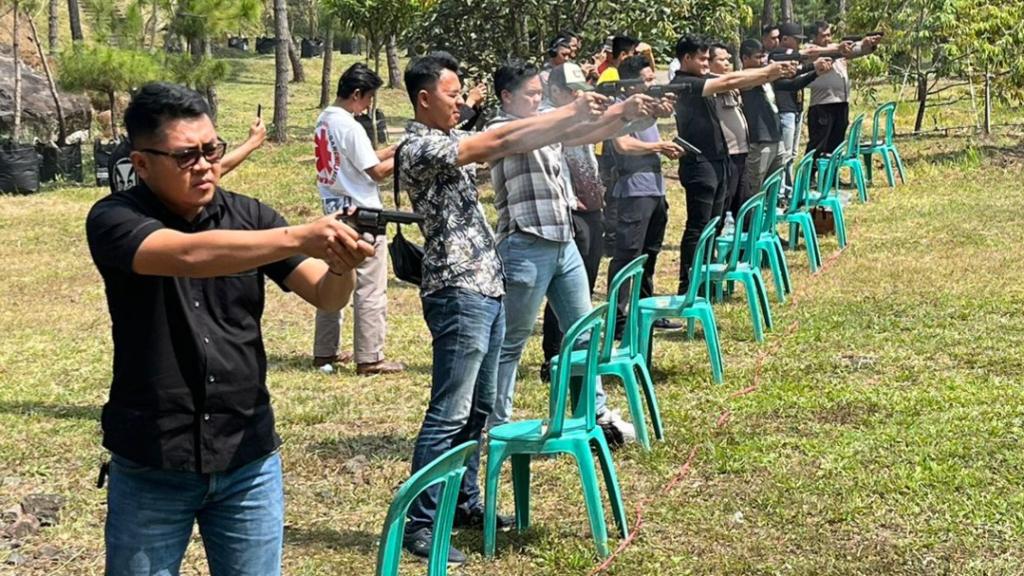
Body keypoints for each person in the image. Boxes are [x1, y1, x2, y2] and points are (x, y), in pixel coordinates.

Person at [87, 82, 374, 576]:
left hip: (248, 457)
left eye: (211, 150)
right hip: (154, 458)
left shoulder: (250, 216)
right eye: (185, 157)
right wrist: (299, 235)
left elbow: (326, 296)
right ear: (141, 163)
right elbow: (190, 255)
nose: (205, 166)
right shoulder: (114, 218)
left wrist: (342, 264)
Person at [397, 51, 607, 566]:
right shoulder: (420, 146)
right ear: (423, 99)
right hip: (457, 289)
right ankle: (420, 524)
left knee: (479, 411)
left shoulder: (446, 137)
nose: (461, 103)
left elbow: (527, 137)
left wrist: (591, 116)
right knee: (448, 413)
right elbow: (502, 138)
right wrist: (568, 109)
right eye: (453, 95)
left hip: (486, 285)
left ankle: (465, 502)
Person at [484, 59, 652, 436]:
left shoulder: (545, 122)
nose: (537, 102)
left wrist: (627, 115)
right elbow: (545, 129)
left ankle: (594, 412)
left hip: (562, 241)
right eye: (530, 95)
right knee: (511, 340)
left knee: (584, 332)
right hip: (525, 243)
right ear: (506, 97)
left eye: (540, 95)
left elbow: (583, 130)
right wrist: (594, 111)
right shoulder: (500, 128)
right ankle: (494, 424)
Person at [670, 34, 797, 295]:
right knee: (698, 226)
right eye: (702, 59)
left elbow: (732, 80)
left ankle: (705, 278)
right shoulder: (685, 83)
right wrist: (767, 72)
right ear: (686, 59)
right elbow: (729, 80)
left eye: (708, 58)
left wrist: (767, 74)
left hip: (718, 161)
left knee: (714, 224)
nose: (707, 63)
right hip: (699, 164)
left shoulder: (701, 79)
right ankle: (689, 285)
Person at [312, 63, 405, 375]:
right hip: (362, 215)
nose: (368, 106)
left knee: (335, 279)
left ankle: (324, 352)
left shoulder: (325, 120)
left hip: (334, 212)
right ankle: (370, 357)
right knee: (369, 287)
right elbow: (375, 173)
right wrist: (403, 157)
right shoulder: (350, 126)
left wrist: (392, 149)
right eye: (368, 99)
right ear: (356, 94)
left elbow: (360, 160)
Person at [538, 62, 609, 381]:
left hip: (591, 207)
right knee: (563, 289)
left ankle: (575, 353)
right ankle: (553, 358)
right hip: (567, 211)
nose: (579, 97)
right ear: (554, 91)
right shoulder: (545, 118)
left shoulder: (575, 113)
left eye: (582, 90)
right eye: (572, 91)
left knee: (585, 284)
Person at [607, 55, 684, 336]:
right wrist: (659, 147)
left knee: (649, 254)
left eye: (653, 79)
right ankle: (618, 319)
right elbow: (623, 145)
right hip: (633, 192)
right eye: (647, 80)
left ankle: (646, 310)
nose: (652, 84)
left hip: (654, 189)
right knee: (628, 256)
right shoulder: (617, 109)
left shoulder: (647, 108)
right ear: (629, 85)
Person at [740, 39, 832, 194]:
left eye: (763, 56)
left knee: (773, 186)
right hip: (760, 141)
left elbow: (792, 84)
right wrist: (811, 66)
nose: (763, 61)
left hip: (776, 137)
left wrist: (815, 72)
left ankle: (770, 216)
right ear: (744, 59)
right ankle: (752, 218)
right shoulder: (744, 78)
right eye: (757, 57)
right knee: (755, 188)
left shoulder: (766, 77)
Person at [107, 110, 267, 194]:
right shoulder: (149, 155)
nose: (201, 166)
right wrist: (251, 144)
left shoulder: (120, 153)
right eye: (185, 156)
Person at [805, 21, 881, 163]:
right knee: (818, 145)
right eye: (824, 36)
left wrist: (868, 44)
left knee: (836, 144)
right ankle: (810, 177)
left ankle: (831, 177)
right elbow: (814, 52)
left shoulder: (837, 49)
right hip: (823, 105)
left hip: (841, 103)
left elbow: (858, 51)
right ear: (814, 37)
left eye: (829, 35)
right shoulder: (811, 50)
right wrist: (839, 49)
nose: (828, 39)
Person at [596, 35, 641, 254]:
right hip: (607, 142)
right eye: (632, 54)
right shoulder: (612, 75)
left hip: (608, 139)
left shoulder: (611, 72)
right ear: (623, 55)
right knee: (612, 194)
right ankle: (611, 241)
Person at [709, 43, 752, 218]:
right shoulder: (710, 84)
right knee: (725, 202)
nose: (727, 63)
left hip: (741, 152)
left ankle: (745, 243)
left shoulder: (731, 84)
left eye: (728, 59)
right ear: (708, 62)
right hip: (728, 154)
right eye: (721, 60)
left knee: (744, 204)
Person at [774, 22, 810, 161]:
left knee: (793, 153)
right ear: (784, 39)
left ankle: (790, 182)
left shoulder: (794, 56)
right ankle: (784, 183)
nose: (799, 43)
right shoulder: (777, 55)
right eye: (796, 39)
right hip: (785, 109)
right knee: (785, 154)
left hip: (797, 108)